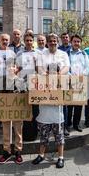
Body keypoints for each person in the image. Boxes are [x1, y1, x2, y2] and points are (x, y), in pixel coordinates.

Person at [32, 33, 70, 169]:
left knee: (59, 131)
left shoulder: (63, 54)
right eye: (50, 41)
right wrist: (45, 75)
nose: (53, 43)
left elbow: (67, 67)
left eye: (55, 41)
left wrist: (60, 74)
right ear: (47, 43)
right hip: (44, 91)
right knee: (43, 132)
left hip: (58, 91)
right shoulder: (42, 55)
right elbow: (39, 68)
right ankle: (41, 155)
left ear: (57, 42)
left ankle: (60, 157)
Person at [0, 34, 24, 165]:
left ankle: (18, 150)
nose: (5, 42)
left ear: (9, 41)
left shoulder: (13, 53)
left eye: (7, 40)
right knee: (5, 121)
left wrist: (16, 70)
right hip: (0, 89)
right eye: (3, 40)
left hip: (14, 89)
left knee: (18, 122)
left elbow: (20, 67)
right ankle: (6, 151)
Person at [16, 32, 39, 142]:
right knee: (24, 110)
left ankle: (33, 134)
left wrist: (36, 64)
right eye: (27, 40)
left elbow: (41, 71)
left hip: (35, 86)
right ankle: (24, 134)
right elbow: (17, 69)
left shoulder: (38, 53)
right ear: (24, 41)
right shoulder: (19, 54)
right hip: (23, 86)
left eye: (30, 40)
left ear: (32, 41)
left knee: (34, 111)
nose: (29, 42)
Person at [67, 34, 89, 132]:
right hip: (69, 81)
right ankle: (67, 124)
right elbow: (65, 66)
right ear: (71, 42)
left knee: (78, 105)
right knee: (69, 104)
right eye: (74, 41)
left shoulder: (84, 54)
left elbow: (87, 67)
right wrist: (70, 76)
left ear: (80, 43)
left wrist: (82, 76)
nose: (76, 43)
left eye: (78, 41)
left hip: (81, 81)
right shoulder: (67, 53)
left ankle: (76, 124)